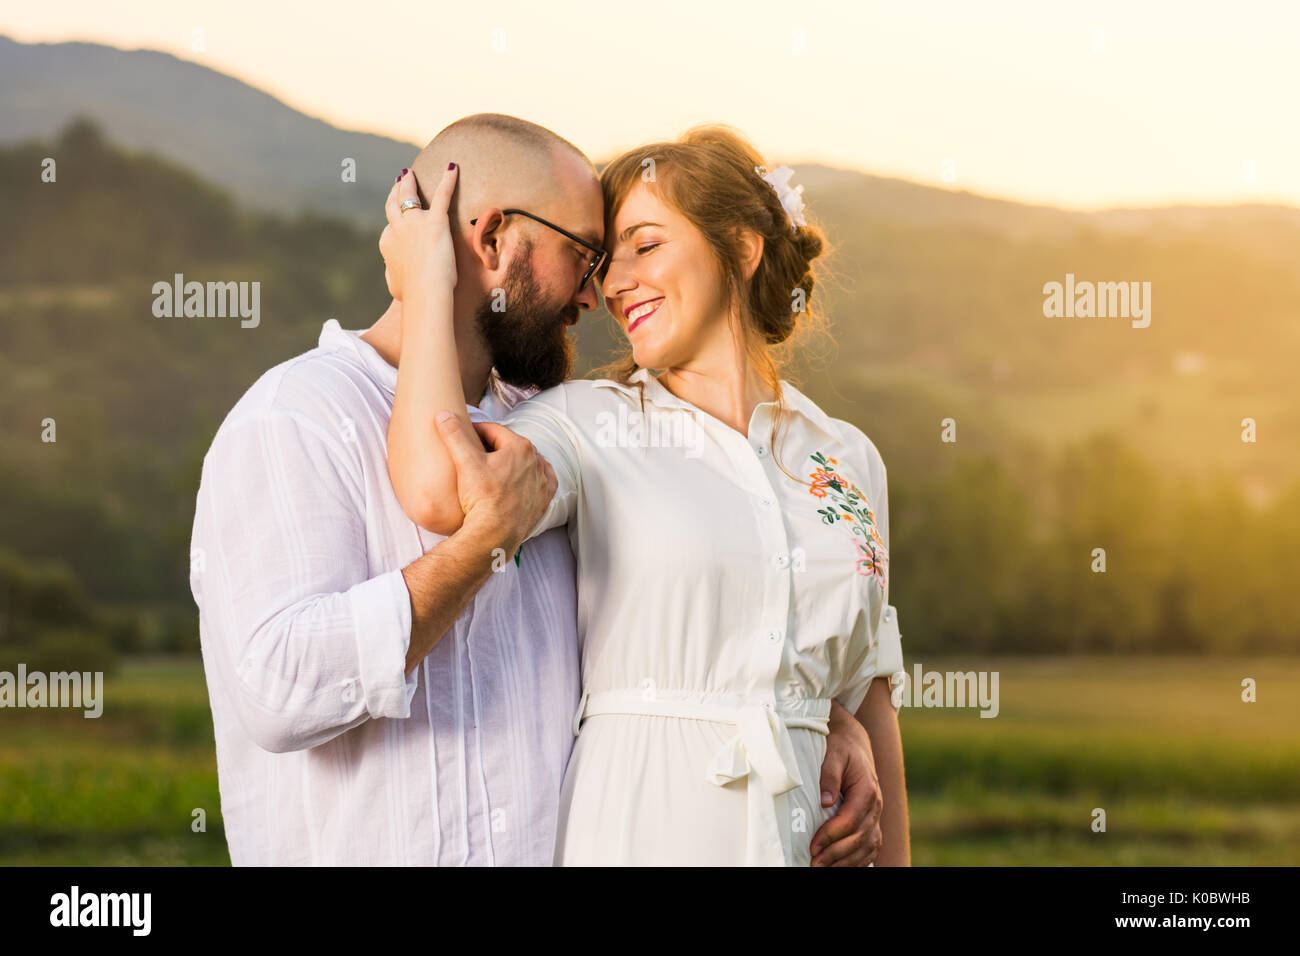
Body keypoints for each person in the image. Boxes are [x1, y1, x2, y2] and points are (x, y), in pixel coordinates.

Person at [189, 113, 884, 865]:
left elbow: (670, 620)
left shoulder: (546, 428)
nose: (598, 295)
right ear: (490, 242)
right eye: (585, 256)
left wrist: (811, 712)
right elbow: (279, 688)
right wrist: (482, 542)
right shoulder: (297, 417)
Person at [383, 122, 909, 866]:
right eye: (603, 260)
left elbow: (869, 705)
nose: (612, 283)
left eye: (645, 243)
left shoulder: (851, 457)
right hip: (637, 833)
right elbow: (440, 492)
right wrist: (428, 281)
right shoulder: (588, 424)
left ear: (742, 248)